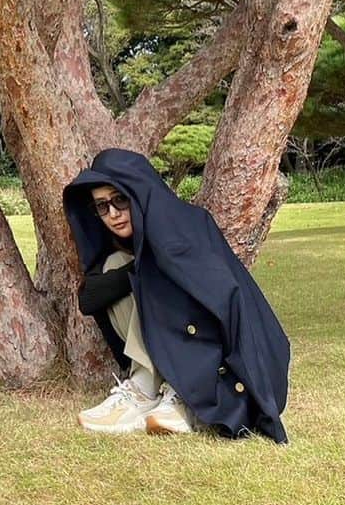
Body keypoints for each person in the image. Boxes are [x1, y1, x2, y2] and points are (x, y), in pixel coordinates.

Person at [64, 148, 291, 443]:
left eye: (120, 200)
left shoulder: (188, 228)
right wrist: (142, 267)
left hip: (210, 354)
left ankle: (185, 395)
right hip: (168, 341)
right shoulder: (122, 248)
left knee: (161, 282)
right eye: (102, 206)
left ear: (138, 193)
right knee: (122, 269)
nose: (113, 214)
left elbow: (226, 302)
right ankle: (143, 386)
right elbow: (90, 299)